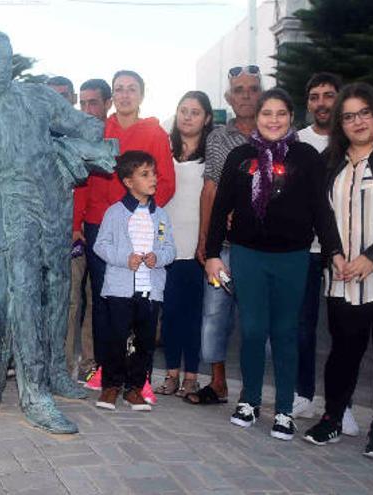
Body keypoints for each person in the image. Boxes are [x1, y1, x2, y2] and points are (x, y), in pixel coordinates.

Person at [0, 29, 114, 434]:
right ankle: (35, 394)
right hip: (13, 206)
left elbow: (84, 125)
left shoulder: (37, 96)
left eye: (4, 58)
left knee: (60, 284)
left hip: (55, 198)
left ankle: (58, 373)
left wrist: (77, 144)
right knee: (25, 291)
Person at [205, 88, 341, 441]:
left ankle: (283, 409)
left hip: (294, 258)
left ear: (290, 117)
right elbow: (220, 209)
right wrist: (212, 254)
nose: (273, 120)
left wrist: (334, 251)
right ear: (258, 116)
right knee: (251, 330)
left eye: (281, 113)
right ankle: (249, 401)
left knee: (284, 333)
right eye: (267, 113)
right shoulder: (240, 156)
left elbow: (321, 210)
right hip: (248, 255)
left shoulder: (307, 156)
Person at [303, 82, 373, 461]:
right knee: (342, 352)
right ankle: (332, 419)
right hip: (342, 276)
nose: (357, 121)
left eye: (364, 113)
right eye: (348, 116)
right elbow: (323, 215)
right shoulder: (331, 163)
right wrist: (335, 254)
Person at [75, 70, 175, 395]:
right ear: (112, 97)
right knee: (104, 302)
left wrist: (140, 215)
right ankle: (107, 372)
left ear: (141, 95)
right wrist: (77, 223)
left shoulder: (155, 134)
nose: (125, 95)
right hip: (99, 228)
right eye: (119, 89)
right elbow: (84, 181)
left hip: (140, 230)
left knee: (139, 305)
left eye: (132, 89)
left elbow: (166, 183)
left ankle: (137, 378)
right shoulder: (98, 131)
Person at [185, 65, 261, 406]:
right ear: (229, 98)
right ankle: (217, 382)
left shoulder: (275, 133)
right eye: (239, 90)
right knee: (214, 314)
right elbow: (210, 187)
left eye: (252, 89)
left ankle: (253, 388)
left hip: (261, 249)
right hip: (225, 248)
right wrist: (205, 239)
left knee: (256, 320)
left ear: (261, 93)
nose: (246, 95)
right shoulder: (218, 137)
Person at [93, 151, 176, 411]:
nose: (153, 179)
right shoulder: (114, 213)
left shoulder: (161, 216)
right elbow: (100, 245)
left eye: (153, 173)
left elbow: (171, 249)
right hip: (120, 289)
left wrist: (158, 258)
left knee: (145, 342)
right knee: (116, 339)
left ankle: (135, 388)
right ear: (128, 182)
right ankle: (111, 387)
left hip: (149, 291)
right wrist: (123, 258)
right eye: (145, 174)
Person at [292, 73, 350, 425]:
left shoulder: (354, 139)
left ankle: (340, 405)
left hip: (348, 251)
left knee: (346, 330)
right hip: (307, 250)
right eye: (314, 97)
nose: (322, 103)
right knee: (303, 326)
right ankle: (303, 395)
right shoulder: (295, 141)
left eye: (329, 95)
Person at [156, 91, 213, 398]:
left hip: (197, 247)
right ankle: (171, 374)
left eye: (195, 112)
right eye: (183, 110)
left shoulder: (212, 154)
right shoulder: (164, 149)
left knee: (193, 315)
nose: (188, 117)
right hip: (167, 244)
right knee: (171, 314)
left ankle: (192, 375)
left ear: (206, 118)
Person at [67, 78, 112, 383]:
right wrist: (74, 225)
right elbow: (78, 184)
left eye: (93, 102)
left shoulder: (114, 134)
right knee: (70, 301)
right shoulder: (74, 135)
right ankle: (65, 363)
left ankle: (93, 363)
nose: (87, 109)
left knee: (99, 299)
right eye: (82, 103)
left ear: (107, 103)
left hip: (107, 230)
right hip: (77, 230)